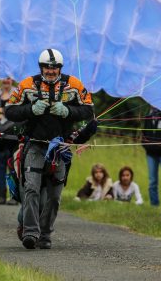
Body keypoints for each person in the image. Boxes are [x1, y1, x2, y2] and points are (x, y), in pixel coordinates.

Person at [5, 48, 94, 250]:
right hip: (35, 144)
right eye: (47, 67)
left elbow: (89, 109)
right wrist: (31, 109)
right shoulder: (28, 84)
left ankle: (45, 234)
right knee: (31, 188)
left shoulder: (74, 85)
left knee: (54, 196)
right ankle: (30, 232)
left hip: (60, 147)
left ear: (60, 68)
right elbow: (10, 110)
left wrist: (68, 111)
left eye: (55, 68)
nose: (51, 71)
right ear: (41, 67)